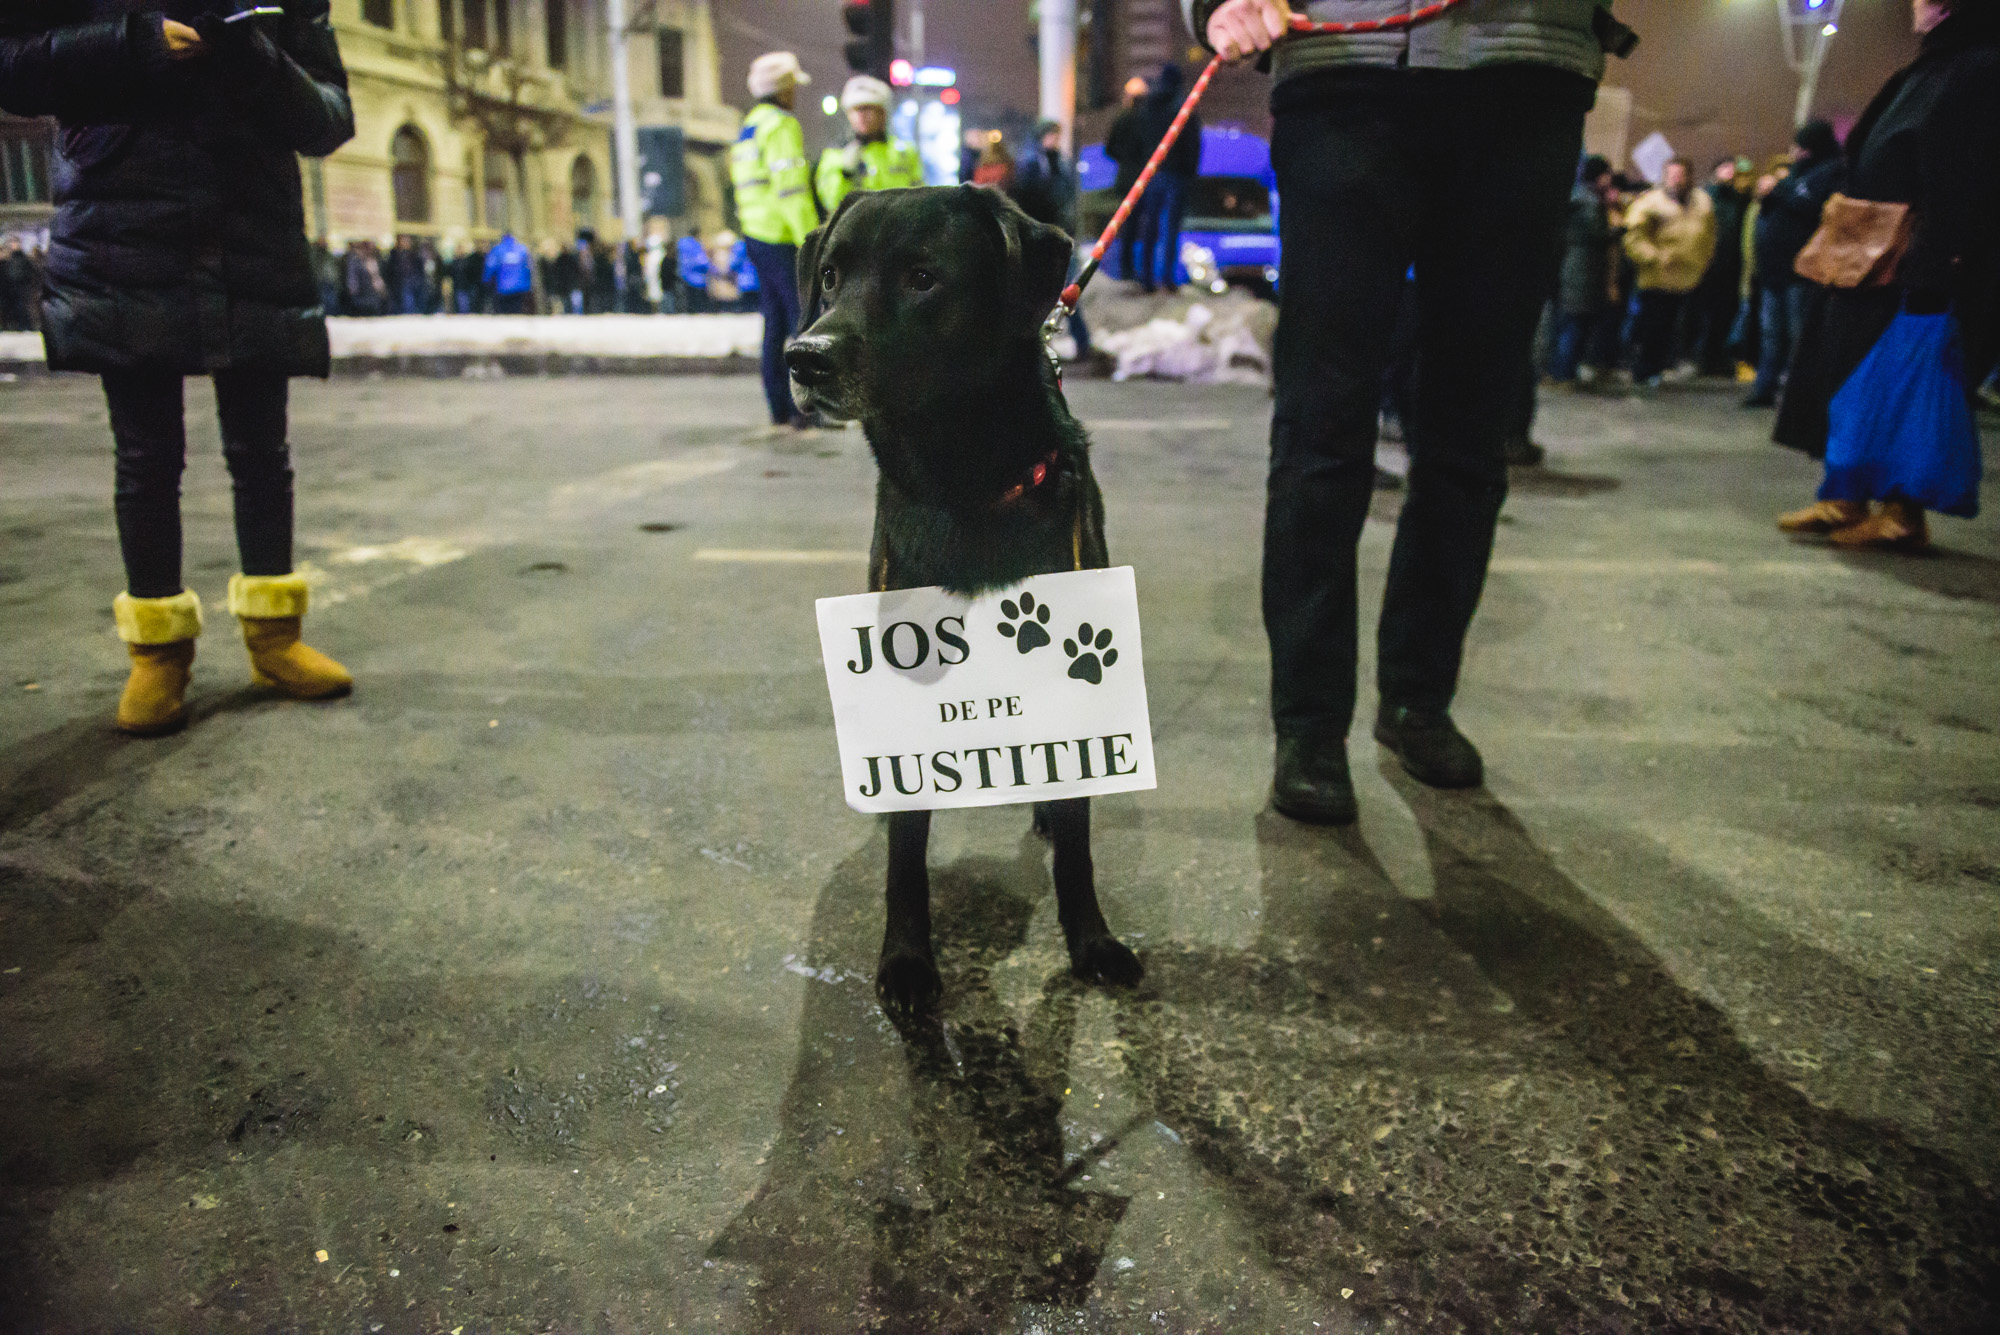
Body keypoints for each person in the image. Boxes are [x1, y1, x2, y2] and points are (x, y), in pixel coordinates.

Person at [1192, 0, 1633, 823]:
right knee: (1321, 423)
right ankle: (1311, 727)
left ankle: (1417, 699)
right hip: (1347, 74)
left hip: (1528, 74)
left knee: (1471, 429)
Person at [0, 0, 357, 736]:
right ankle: (157, 650)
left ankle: (275, 639)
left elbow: (328, 117)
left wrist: (251, 55)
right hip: (121, 230)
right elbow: (14, 68)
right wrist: (132, 43)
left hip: (249, 227)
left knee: (263, 453)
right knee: (145, 455)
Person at [1774, 0, 1999, 550]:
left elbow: (1963, 172)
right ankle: (1847, 495)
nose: (1916, 6)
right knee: (1852, 375)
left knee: (1904, 383)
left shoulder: (1979, 65)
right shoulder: (1935, 65)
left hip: (1914, 256)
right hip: (1874, 255)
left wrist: (1936, 257)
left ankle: (1902, 511)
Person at [729, 51, 817, 430]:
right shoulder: (781, 125)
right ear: (784, 90)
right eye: (793, 86)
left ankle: (780, 407)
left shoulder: (749, 126)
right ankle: (808, 408)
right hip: (783, 237)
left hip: (756, 235)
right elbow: (791, 189)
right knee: (804, 323)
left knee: (775, 324)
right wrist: (812, 239)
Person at [1743, 119, 1842, 406]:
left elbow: (1813, 206)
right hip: (1774, 271)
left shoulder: (1830, 172)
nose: (1797, 152)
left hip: (1800, 271)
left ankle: (1800, 394)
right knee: (1771, 334)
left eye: (1803, 146)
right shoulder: (1797, 174)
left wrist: (1777, 192)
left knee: (1799, 336)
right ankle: (1766, 387)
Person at [1621, 158, 1717, 386]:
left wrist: (1704, 261)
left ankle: (1661, 365)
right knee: (1653, 325)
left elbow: (1709, 235)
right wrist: (1653, 256)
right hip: (1657, 276)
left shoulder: (1702, 201)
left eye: (1680, 174)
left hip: (1689, 277)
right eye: (1671, 175)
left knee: (1674, 326)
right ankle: (1644, 369)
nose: (1676, 179)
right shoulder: (1650, 203)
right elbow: (1634, 236)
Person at [1009, 118, 1094, 359]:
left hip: (1062, 236)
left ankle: (1083, 344)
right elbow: (1029, 200)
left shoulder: (1062, 164)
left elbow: (1068, 200)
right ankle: (1033, 347)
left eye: (1057, 135)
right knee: (1039, 295)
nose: (1054, 140)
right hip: (1041, 239)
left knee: (1070, 291)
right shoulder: (1030, 165)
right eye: (1051, 135)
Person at [1131, 64, 1203, 294]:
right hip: (1178, 174)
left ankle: (1146, 278)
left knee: (1150, 225)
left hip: (1152, 172)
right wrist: (1191, 172)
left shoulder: (1148, 107)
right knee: (1171, 227)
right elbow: (1193, 143)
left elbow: (1140, 139)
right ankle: (1167, 279)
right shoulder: (1183, 108)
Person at [815, 75, 924, 215]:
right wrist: (845, 174)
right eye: (856, 110)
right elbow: (832, 203)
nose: (861, 115)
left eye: (868, 108)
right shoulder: (834, 155)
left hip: (898, 232)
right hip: (857, 234)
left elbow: (920, 198)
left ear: (883, 113)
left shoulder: (905, 152)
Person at [1551, 155, 1618, 383]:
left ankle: (1561, 371)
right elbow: (1598, 234)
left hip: (1574, 267)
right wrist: (1620, 229)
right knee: (1575, 325)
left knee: (1569, 322)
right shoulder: (1590, 202)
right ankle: (1564, 373)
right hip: (1583, 270)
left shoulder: (1577, 197)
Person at [1692, 156, 1750, 375]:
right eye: (1725, 168)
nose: (1730, 172)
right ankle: (1703, 358)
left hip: (1730, 266)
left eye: (1732, 169)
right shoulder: (1706, 197)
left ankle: (1717, 359)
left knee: (1724, 315)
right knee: (1707, 315)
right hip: (1710, 265)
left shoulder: (1738, 199)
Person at [1102, 76, 1153, 284]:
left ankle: (1127, 270)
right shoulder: (1147, 119)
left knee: (1129, 227)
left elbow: (1110, 148)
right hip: (1144, 179)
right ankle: (1135, 272)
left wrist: (1125, 159)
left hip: (1129, 178)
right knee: (1142, 227)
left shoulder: (1123, 118)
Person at [483, 231, 534, 314]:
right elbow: (529, 267)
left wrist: (486, 279)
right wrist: (529, 283)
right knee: (516, 309)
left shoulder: (497, 250)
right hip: (520, 286)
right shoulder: (522, 249)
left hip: (502, 287)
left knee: (504, 311)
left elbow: (490, 266)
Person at [0, 234, 37, 330]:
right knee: (12, 309)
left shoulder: (24, 258)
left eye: (15, 243)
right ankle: (13, 326)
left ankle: (26, 326)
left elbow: (31, 272)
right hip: (10, 289)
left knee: (23, 308)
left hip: (23, 288)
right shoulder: (8, 260)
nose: (13, 245)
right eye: (12, 243)